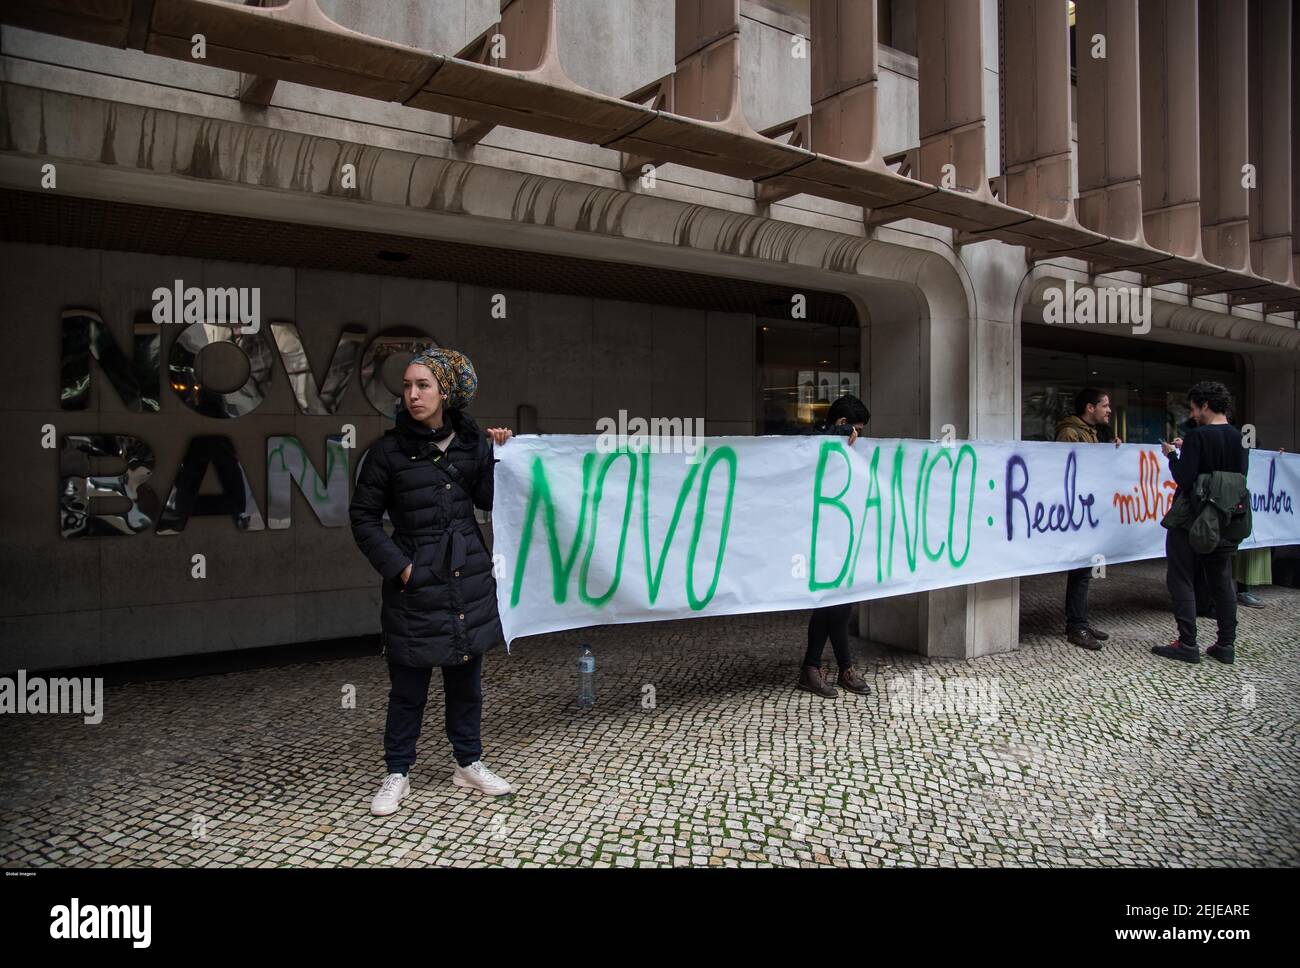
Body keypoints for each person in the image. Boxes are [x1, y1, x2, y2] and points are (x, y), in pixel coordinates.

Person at [349, 348, 515, 816]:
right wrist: (402, 568)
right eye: (407, 386)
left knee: (467, 682)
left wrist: (500, 453)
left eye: (423, 385)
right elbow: (363, 518)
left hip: (468, 581)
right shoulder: (387, 453)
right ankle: (397, 773)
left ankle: (468, 763)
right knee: (408, 687)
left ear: (446, 392)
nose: (412, 394)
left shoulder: (471, 445)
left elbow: (490, 498)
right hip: (416, 586)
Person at [1154, 381, 1249, 664]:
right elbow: (1239, 475)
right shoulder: (1238, 436)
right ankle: (1225, 645)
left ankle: (1187, 643)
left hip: (1192, 518)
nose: (1193, 414)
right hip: (1226, 519)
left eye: (1194, 408)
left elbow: (1184, 478)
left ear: (1205, 405)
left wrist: (1172, 455)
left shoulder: (1198, 436)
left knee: (1181, 576)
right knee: (1221, 580)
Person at [797, 394, 873, 699]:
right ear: (842, 425)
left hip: (841, 532)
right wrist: (838, 440)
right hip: (818, 534)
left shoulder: (847, 449)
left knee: (838, 602)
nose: (860, 436)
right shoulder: (813, 442)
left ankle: (828, 669)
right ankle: (823, 668)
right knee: (834, 602)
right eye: (856, 429)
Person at [1054, 388, 1123, 649]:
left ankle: (1079, 620)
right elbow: (1070, 469)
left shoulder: (1092, 433)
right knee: (1080, 569)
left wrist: (1110, 450)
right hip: (1076, 511)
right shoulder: (1070, 432)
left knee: (1083, 570)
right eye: (1104, 405)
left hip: (1087, 509)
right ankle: (1076, 625)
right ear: (1089, 408)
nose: (1109, 410)